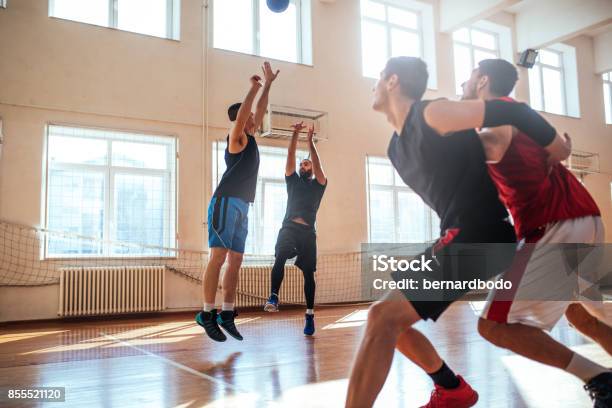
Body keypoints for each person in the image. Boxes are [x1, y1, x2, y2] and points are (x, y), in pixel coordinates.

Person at [346, 56, 564, 408]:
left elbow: (515, 113)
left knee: (382, 318)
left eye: (378, 77)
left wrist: (559, 149)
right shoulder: (395, 147)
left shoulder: (432, 113)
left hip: (482, 237)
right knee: (386, 320)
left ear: (392, 81)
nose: (373, 84)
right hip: (460, 235)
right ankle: (451, 389)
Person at [460, 58, 612, 407]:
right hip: (584, 216)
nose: (464, 82)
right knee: (582, 315)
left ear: (483, 80)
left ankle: (600, 377)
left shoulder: (495, 116)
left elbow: (490, 145)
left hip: (553, 225)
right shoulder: (520, 116)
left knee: (493, 326)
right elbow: (553, 147)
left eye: (469, 75)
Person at [196, 62, 280, 342]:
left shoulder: (252, 138)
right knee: (218, 257)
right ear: (240, 122)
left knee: (236, 260)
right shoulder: (236, 139)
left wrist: (267, 85)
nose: (256, 119)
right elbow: (246, 112)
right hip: (225, 202)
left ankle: (227, 313)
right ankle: (207, 313)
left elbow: (259, 108)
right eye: (250, 118)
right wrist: (253, 88)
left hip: (243, 206)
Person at [264, 122, 327, 336]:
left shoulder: (319, 185)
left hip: (308, 233)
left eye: (307, 164)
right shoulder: (292, 181)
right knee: (280, 254)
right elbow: (290, 157)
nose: (304, 166)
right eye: (303, 165)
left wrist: (310, 143)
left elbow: (318, 165)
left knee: (309, 273)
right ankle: (273, 296)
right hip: (289, 227)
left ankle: (309, 315)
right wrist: (295, 134)